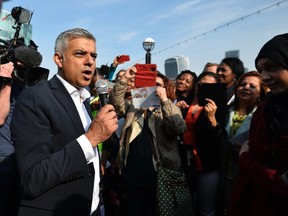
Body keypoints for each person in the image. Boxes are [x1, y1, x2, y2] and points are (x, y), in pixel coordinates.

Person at [10, 28, 118, 216]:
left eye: (93, 55)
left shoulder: (84, 100)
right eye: (80, 54)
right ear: (59, 59)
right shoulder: (35, 98)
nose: (90, 61)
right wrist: (91, 138)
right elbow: (33, 178)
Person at [109, 69, 187, 216]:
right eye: (152, 84)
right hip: (133, 175)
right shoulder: (135, 106)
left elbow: (179, 128)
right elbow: (115, 102)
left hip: (160, 176)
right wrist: (125, 79)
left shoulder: (170, 108)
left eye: (158, 85)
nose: (155, 88)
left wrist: (164, 100)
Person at [228, 33, 288, 216]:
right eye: (261, 70)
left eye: (272, 67)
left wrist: (245, 158)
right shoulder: (264, 110)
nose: (266, 77)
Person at [180, 72, 227, 216]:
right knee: (185, 206)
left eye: (210, 85)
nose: (204, 87)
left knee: (206, 209)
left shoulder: (218, 107)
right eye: (201, 84)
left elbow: (219, 136)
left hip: (207, 164)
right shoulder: (184, 103)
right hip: (184, 163)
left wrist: (212, 118)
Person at [221, 71, 268, 213]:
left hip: (247, 174)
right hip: (224, 172)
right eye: (242, 84)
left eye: (252, 86)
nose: (246, 87)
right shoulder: (225, 111)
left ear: (260, 92)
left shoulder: (262, 115)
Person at [0, 62, 21, 216]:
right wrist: (6, 83)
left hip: (20, 157)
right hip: (3, 157)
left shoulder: (23, 84)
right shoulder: (4, 82)